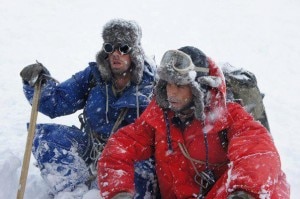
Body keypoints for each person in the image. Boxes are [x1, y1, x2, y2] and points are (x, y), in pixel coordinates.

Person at [98, 46, 290, 199]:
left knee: (269, 189)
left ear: (200, 88)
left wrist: (244, 192)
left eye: (180, 86)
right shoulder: (159, 116)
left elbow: (258, 151)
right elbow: (119, 147)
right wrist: (118, 192)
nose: (172, 93)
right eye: (169, 85)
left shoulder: (229, 116)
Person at [20, 18, 158, 197]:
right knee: (47, 139)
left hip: (130, 156)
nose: (115, 54)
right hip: (93, 148)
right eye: (109, 47)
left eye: (123, 48)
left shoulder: (154, 86)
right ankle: (73, 193)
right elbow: (56, 102)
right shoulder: (94, 76)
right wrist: (38, 84)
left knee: (142, 174)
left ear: (135, 52)